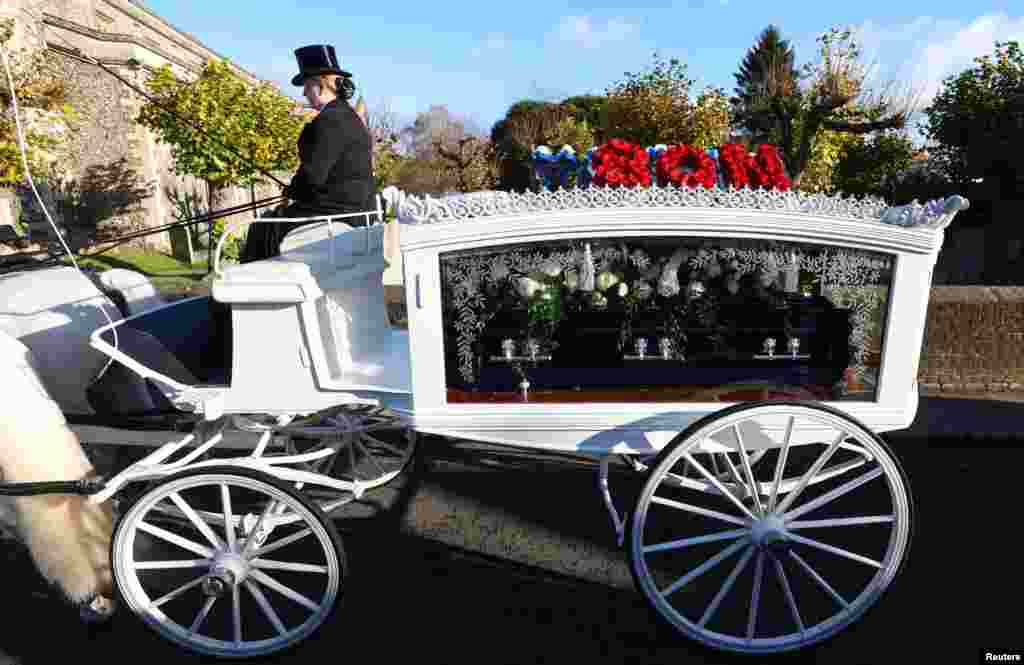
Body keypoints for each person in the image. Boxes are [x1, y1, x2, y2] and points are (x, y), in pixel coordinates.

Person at [240, 44, 376, 263]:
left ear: (320, 85)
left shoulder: (329, 121)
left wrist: (293, 189)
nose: (304, 92)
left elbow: (313, 177)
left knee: (262, 228)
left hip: (335, 213)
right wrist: (295, 189)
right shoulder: (350, 118)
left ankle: (251, 290)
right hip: (356, 211)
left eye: (306, 85)